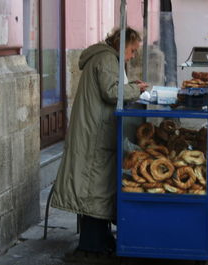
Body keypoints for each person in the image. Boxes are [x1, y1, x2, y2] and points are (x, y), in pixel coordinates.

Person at [50, 27, 147, 260]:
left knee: (96, 188)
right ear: (121, 44)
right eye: (132, 50)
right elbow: (112, 92)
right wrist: (136, 89)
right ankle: (91, 246)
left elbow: (112, 87)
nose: (132, 56)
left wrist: (132, 84)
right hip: (93, 134)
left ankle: (100, 240)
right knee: (93, 189)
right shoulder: (106, 58)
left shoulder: (105, 57)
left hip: (94, 130)